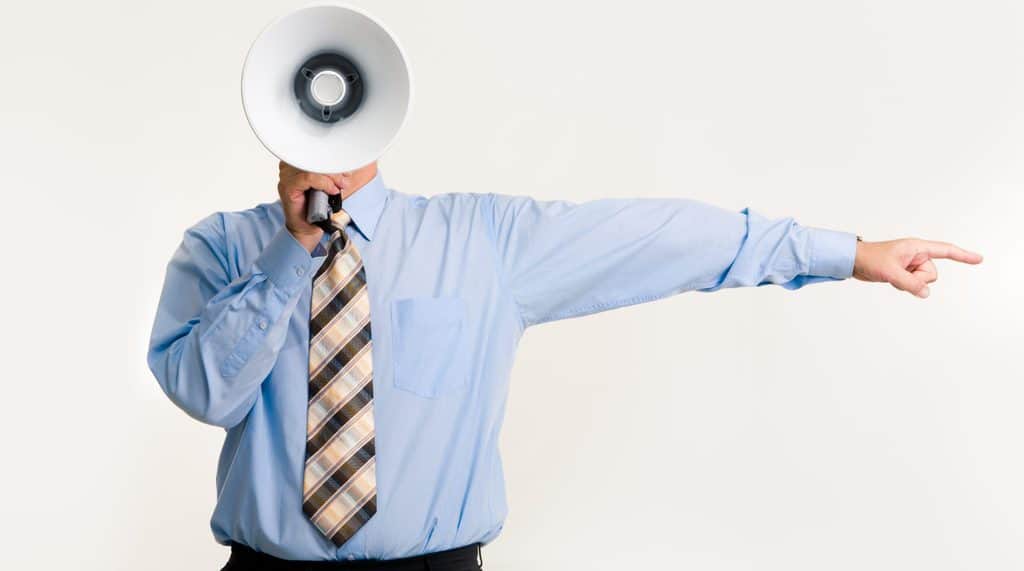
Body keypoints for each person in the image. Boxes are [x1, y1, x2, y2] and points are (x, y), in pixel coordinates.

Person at [148, 161, 982, 570]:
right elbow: (204, 393)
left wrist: (847, 253)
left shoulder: (483, 240)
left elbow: (658, 237)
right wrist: (293, 250)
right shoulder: (222, 248)